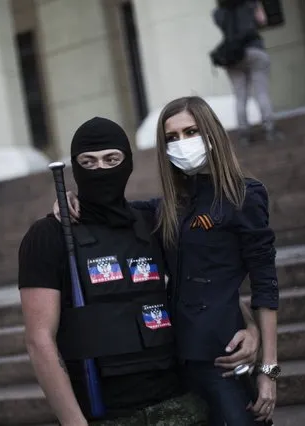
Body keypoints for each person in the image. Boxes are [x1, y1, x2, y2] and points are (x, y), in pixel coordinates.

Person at [19, 116, 260, 426]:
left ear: (128, 163)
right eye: (88, 162)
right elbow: (39, 340)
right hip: (107, 415)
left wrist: (252, 330)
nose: (100, 170)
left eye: (111, 159)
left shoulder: (154, 222)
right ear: (74, 168)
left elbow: (206, 287)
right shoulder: (48, 236)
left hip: (181, 406)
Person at [211, 0, 279, 145]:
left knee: (240, 96)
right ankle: (270, 129)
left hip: (233, 55)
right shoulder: (251, 4)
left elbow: (224, 26)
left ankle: (244, 134)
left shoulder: (218, 13)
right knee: (261, 92)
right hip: (254, 50)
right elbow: (262, 20)